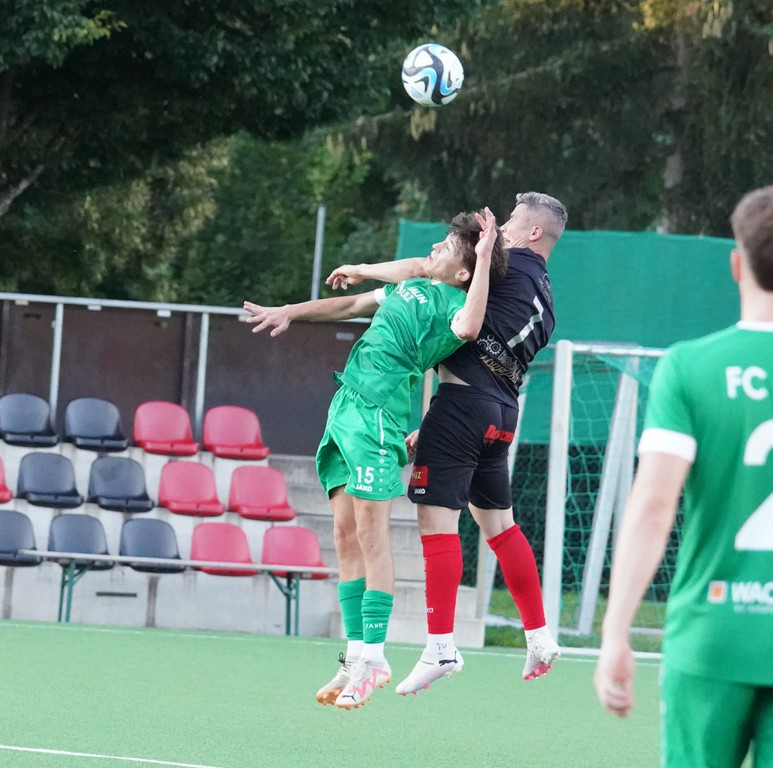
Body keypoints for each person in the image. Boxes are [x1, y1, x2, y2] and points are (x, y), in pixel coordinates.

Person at [244, 208, 507, 710]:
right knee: (344, 536)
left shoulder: (458, 305)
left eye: (448, 246)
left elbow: (473, 324)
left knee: (371, 536)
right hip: (345, 407)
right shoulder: (412, 286)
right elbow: (350, 304)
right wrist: (291, 310)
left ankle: (375, 658)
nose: (435, 247)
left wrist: (487, 249)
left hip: (380, 416)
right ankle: (354, 656)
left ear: (464, 272)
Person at [326, 191, 568, 694]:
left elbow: (427, 268)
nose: (502, 229)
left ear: (533, 233)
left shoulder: (500, 264)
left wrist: (365, 269)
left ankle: (440, 646)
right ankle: (539, 633)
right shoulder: (545, 296)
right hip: (502, 413)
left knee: (436, 525)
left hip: (462, 406)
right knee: (500, 526)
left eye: (512, 221)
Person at [593, 186, 773, 767]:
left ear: (736, 264)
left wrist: (616, 631)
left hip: (712, 634)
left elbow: (653, 506)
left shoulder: (689, 367)